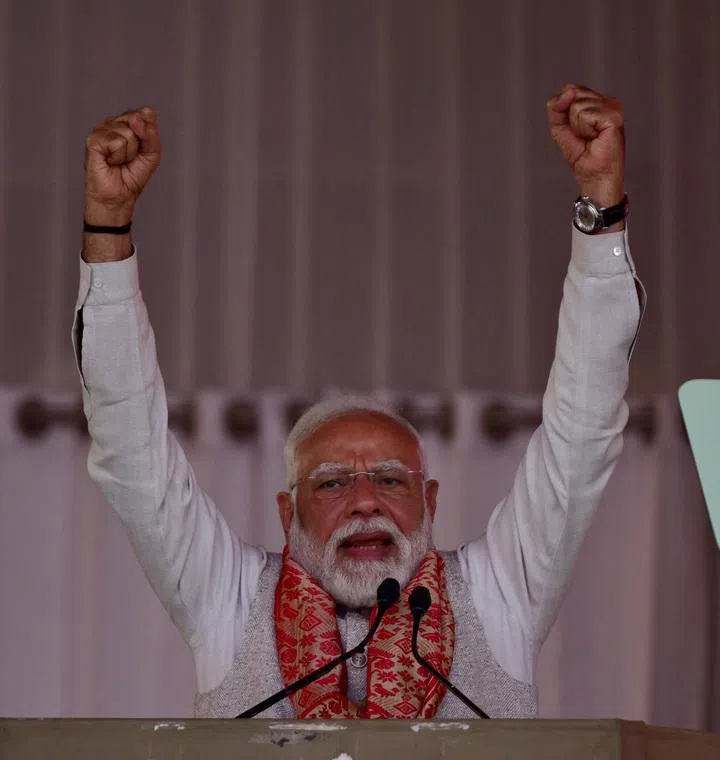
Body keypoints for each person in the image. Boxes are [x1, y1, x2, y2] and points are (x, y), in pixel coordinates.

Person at [72, 84, 644, 720]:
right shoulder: (226, 601)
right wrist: (107, 225)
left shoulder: (497, 595)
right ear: (287, 515)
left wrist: (601, 212)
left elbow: (582, 430)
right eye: (333, 483)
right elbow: (131, 446)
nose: (365, 501)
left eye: (392, 480)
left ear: (429, 502)